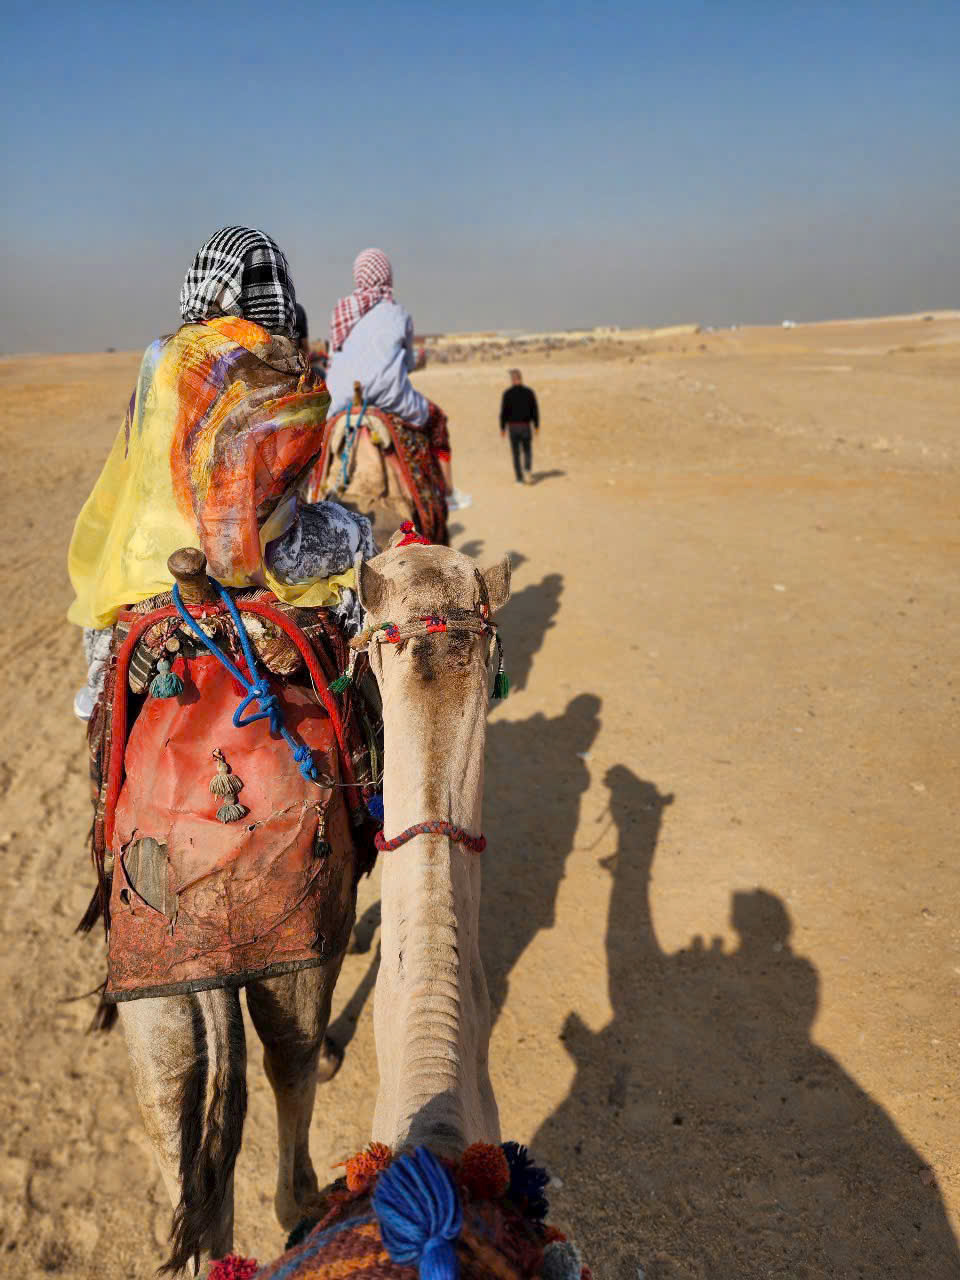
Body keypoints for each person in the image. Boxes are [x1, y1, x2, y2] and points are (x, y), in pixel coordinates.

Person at [68, 225, 375, 718]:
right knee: (359, 533)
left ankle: (96, 689)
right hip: (256, 557)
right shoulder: (280, 367)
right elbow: (276, 494)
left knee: (103, 589)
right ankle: (364, 690)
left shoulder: (160, 356)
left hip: (151, 553)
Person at [326, 249, 465, 504]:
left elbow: (335, 356)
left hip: (339, 400)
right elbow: (408, 363)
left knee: (315, 446)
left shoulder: (341, 311)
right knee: (437, 421)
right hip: (391, 397)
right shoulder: (398, 314)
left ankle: (309, 495)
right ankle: (447, 493)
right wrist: (418, 360)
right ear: (387, 276)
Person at [499, 368, 539, 484]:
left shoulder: (507, 393)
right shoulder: (529, 392)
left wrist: (502, 428)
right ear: (520, 379)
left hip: (513, 427)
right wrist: (536, 425)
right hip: (525, 426)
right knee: (527, 450)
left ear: (512, 380)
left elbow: (504, 412)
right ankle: (527, 471)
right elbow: (534, 410)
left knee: (516, 453)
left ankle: (519, 478)